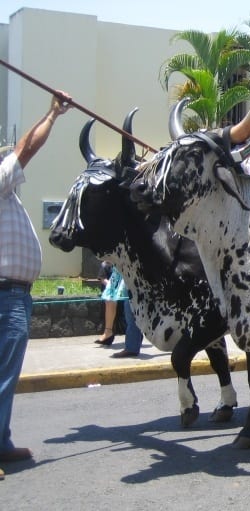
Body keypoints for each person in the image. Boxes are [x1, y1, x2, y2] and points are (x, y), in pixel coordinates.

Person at [0, 91, 72, 469]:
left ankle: (1, 440)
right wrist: (53, 114)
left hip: (14, 295)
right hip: (5, 295)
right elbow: (26, 148)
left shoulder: (6, 193)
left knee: (5, 376)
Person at [101, 266, 144, 358]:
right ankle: (132, 346)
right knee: (131, 315)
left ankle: (132, 348)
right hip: (128, 279)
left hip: (133, 278)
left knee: (131, 315)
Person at [94, 260, 117, 345]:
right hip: (111, 292)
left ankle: (108, 333)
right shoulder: (106, 264)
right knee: (110, 300)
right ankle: (108, 333)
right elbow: (102, 278)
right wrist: (112, 287)